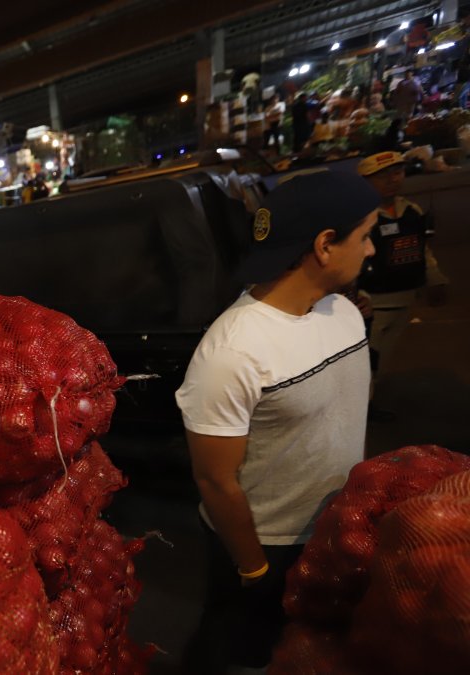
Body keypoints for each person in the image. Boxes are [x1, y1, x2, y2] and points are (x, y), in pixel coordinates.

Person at [177, 169, 379, 674]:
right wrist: (253, 566)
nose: (373, 249)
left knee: (307, 646)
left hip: (336, 525)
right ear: (325, 244)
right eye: (367, 235)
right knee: (237, 648)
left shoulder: (344, 311)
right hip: (265, 544)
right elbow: (214, 480)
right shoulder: (233, 352)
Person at [356, 152, 440, 420]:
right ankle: (361, 407)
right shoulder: (360, 218)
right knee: (369, 356)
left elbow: (422, 249)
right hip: (374, 301)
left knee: (383, 354)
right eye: (382, 176)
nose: (392, 180)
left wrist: (435, 277)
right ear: (365, 182)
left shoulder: (411, 211)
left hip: (405, 296)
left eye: (397, 173)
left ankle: (369, 400)